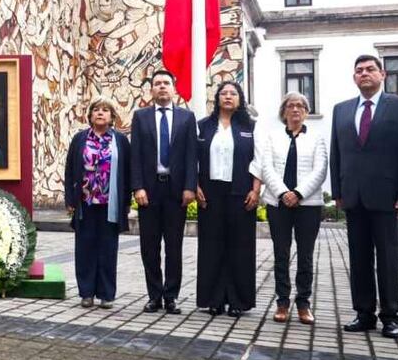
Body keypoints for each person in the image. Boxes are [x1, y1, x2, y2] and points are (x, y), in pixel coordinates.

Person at [330, 55, 398, 339]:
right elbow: (337, 153)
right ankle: (364, 313)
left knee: (388, 258)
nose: (364, 74)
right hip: (353, 197)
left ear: (382, 74)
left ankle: (391, 316)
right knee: (359, 258)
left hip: (386, 198)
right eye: (359, 71)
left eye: (370, 69)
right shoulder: (341, 110)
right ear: (354, 77)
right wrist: (338, 192)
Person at [129, 69, 198, 315]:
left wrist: (190, 186)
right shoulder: (140, 117)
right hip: (149, 190)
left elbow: (192, 155)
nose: (161, 87)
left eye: (166, 83)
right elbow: (134, 155)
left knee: (174, 246)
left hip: (176, 191)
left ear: (173, 88)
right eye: (157, 83)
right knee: (149, 246)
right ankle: (154, 295)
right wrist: (137, 187)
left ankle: (171, 296)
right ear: (151, 90)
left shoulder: (187, 118)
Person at [256, 91, 328, 325]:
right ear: (284, 111)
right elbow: (266, 167)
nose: (296, 109)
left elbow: (320, 169)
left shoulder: (316, 138)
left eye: (300, 106)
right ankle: (282, 302)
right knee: (281, 253)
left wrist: (298, 193)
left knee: (305, 255)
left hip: (308, 204)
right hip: (279, 204)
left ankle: (304, 303)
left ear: (306, 112)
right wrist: (283, 193)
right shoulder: (272, 137)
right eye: (291, 106)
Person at [195, 81, 261, 318]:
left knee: (240, 247)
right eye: (224, 93)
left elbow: (259, 161)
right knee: (211, 246)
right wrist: (195, 185)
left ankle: (238, 301)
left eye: (233, 93)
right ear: (217, 98)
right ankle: (213, 299)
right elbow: (193, 159)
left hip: (241, 194)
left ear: (240, 99)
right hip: (210, 195)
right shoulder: (204, 126)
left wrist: (256, 190)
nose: (228, 97)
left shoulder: (250, 127)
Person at [64, 96, 131, 309]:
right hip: (85, 203)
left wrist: (126, 202)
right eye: (96, 110)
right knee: (84, 248)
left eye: (105, 110)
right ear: (90, 115)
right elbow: (70, 170)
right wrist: (69, 199)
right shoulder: (80, 139)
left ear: (112, 117)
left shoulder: (120, 141)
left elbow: (127, 174)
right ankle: (86, 293)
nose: (100, 113)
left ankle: (106, 294)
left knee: (108, 249)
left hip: (109, 204)